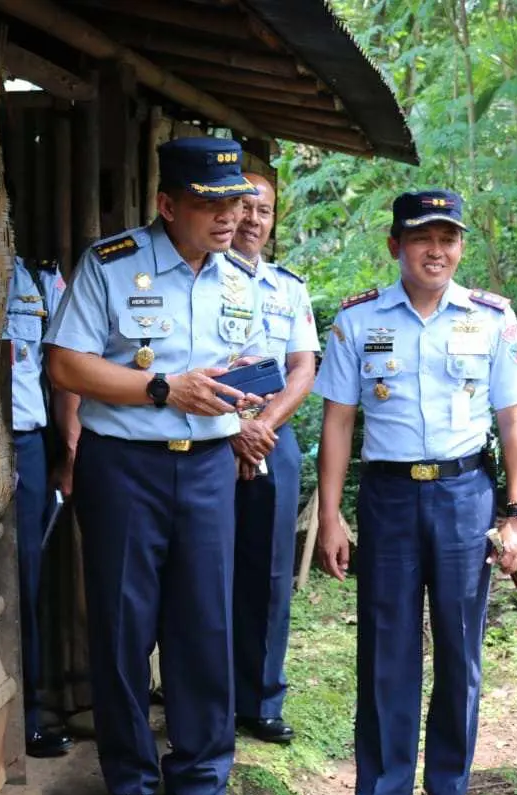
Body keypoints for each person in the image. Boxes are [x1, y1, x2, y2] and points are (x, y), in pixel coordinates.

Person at [48, 136, 266, 795]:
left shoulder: (239, 279)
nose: (228, 216)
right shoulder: (112, 265)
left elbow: (251, 370)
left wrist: (244, 417)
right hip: (126, 468)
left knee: (205, 626)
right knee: (122, 625)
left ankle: (201, 782)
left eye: (234, 201)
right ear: (168, 204)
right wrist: (161, 387)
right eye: (210, 203)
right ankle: (132, 782)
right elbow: (66, 365)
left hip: (207, 469)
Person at [314, 190, 517, 795]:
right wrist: (330, 517)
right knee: (386, 648)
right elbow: (338, 423)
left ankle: (448, 792)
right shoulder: (357, 321)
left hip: (464, 494)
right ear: (396, 246)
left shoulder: (492, 319)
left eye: (448, 238)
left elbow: (513, 423)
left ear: (460, 246)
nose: (436, 250)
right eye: (421, 238)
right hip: (388, 498)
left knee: (459, 647)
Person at [227, 173, 319, 746]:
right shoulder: (203, 278)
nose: (253, 219)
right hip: (209, 437)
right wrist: (233, 428)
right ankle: (203, 691)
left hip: (272, 438)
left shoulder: (289, 288)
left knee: (269, 572)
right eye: (243, 207)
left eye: (264, 210)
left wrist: (261, 427)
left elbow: (303, 368)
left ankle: (260, 699)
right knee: (203, 570)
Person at [2, 257, 73, 759]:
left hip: (25, 442)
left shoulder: (36, 279)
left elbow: (62, 369)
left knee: (25, 579)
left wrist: (67, 451)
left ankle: (27, 717)